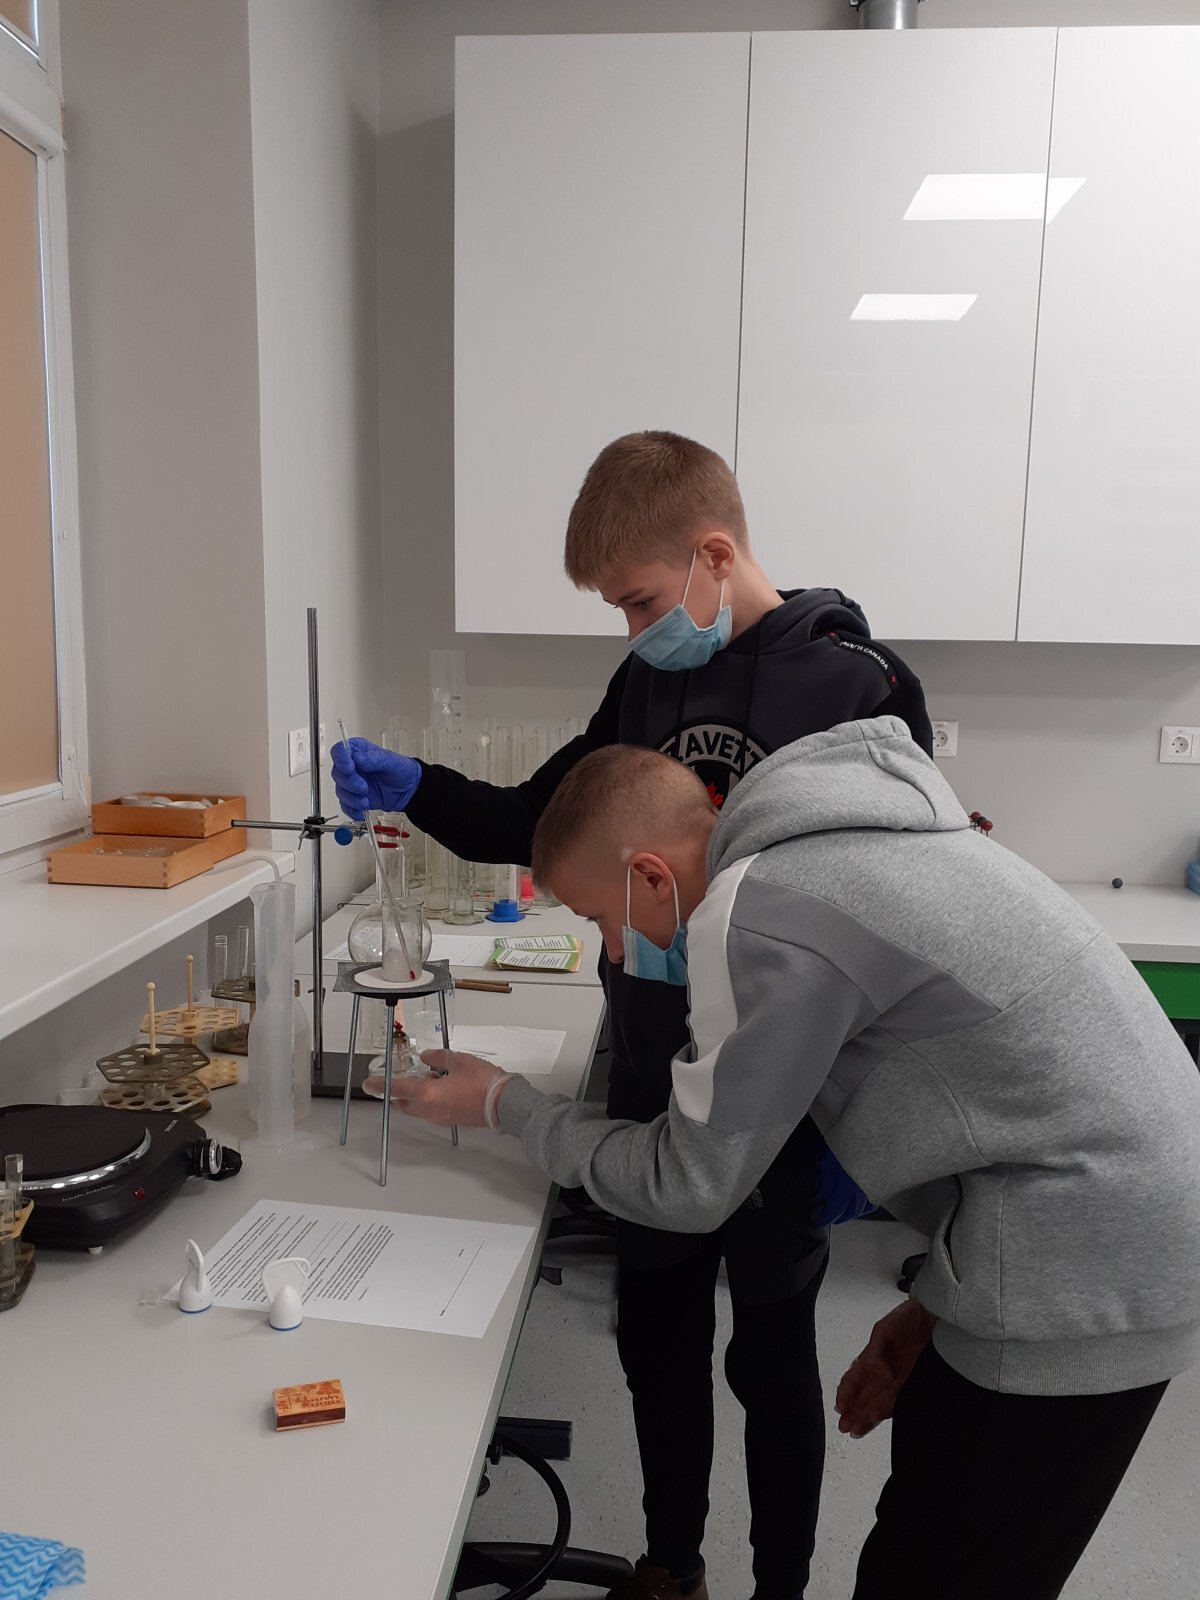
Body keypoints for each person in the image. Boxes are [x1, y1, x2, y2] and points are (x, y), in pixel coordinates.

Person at [393, 723, 1200, 1600]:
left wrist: (503, 1103)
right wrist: (936, 1306)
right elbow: (1022, 1105)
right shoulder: (834, 844)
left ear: (651, 876)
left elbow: (688, 1184)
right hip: (1101, 1222)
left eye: (600, 921)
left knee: (939, 1571)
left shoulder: (757, 910)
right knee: (924, 1542)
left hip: (1093, 1255)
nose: (615, 955)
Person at [333, 431, 931, 1600]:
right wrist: (421, 785)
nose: (633, 629)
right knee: (657, 1340)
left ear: (714, 554)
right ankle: (672, 1563)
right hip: (657, 1068)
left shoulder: (856, 684)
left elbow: (892, 899)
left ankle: (779, 1583)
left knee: (771, 1356)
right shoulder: (650, 678)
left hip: (785, 1090)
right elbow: (545, 818)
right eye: (617, 608)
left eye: (642, 600)